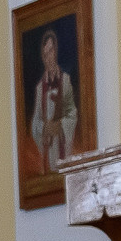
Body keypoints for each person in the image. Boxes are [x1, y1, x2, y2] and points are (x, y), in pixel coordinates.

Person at [29, 29, 78, 174]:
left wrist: (60, 125)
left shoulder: (65, 80)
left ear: (55, 52)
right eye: (45, 54)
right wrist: (44, 128)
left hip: (61, 142)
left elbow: (73, 114)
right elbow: (35, 122)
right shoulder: (39, 88)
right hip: (48, 148)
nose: (48, 57)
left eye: (51, 51)